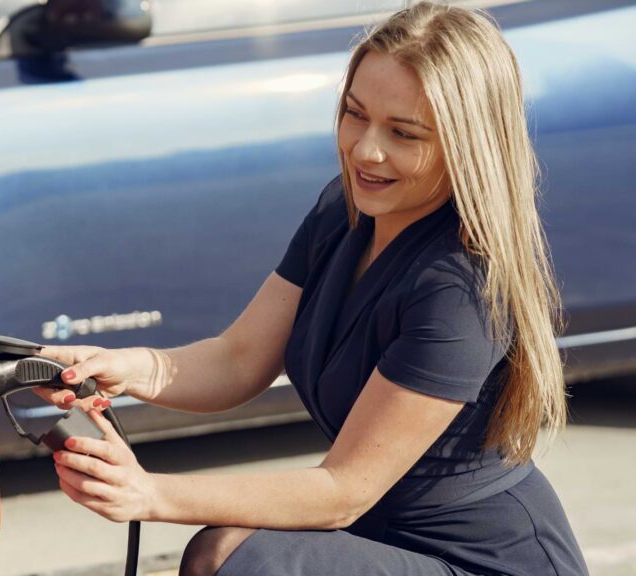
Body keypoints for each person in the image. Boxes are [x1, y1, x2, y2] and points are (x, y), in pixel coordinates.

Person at [35, 2, 588, 574]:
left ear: (468, 145)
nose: (365, 150)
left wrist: (151, 494)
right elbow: (239, 358)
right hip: (374, 533)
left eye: (403, 132)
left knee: (232, 555)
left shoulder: (461, 289)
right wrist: (122, 367)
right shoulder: (344, 210)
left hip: (480, 560)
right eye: (355, 114)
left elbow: (343, 491)